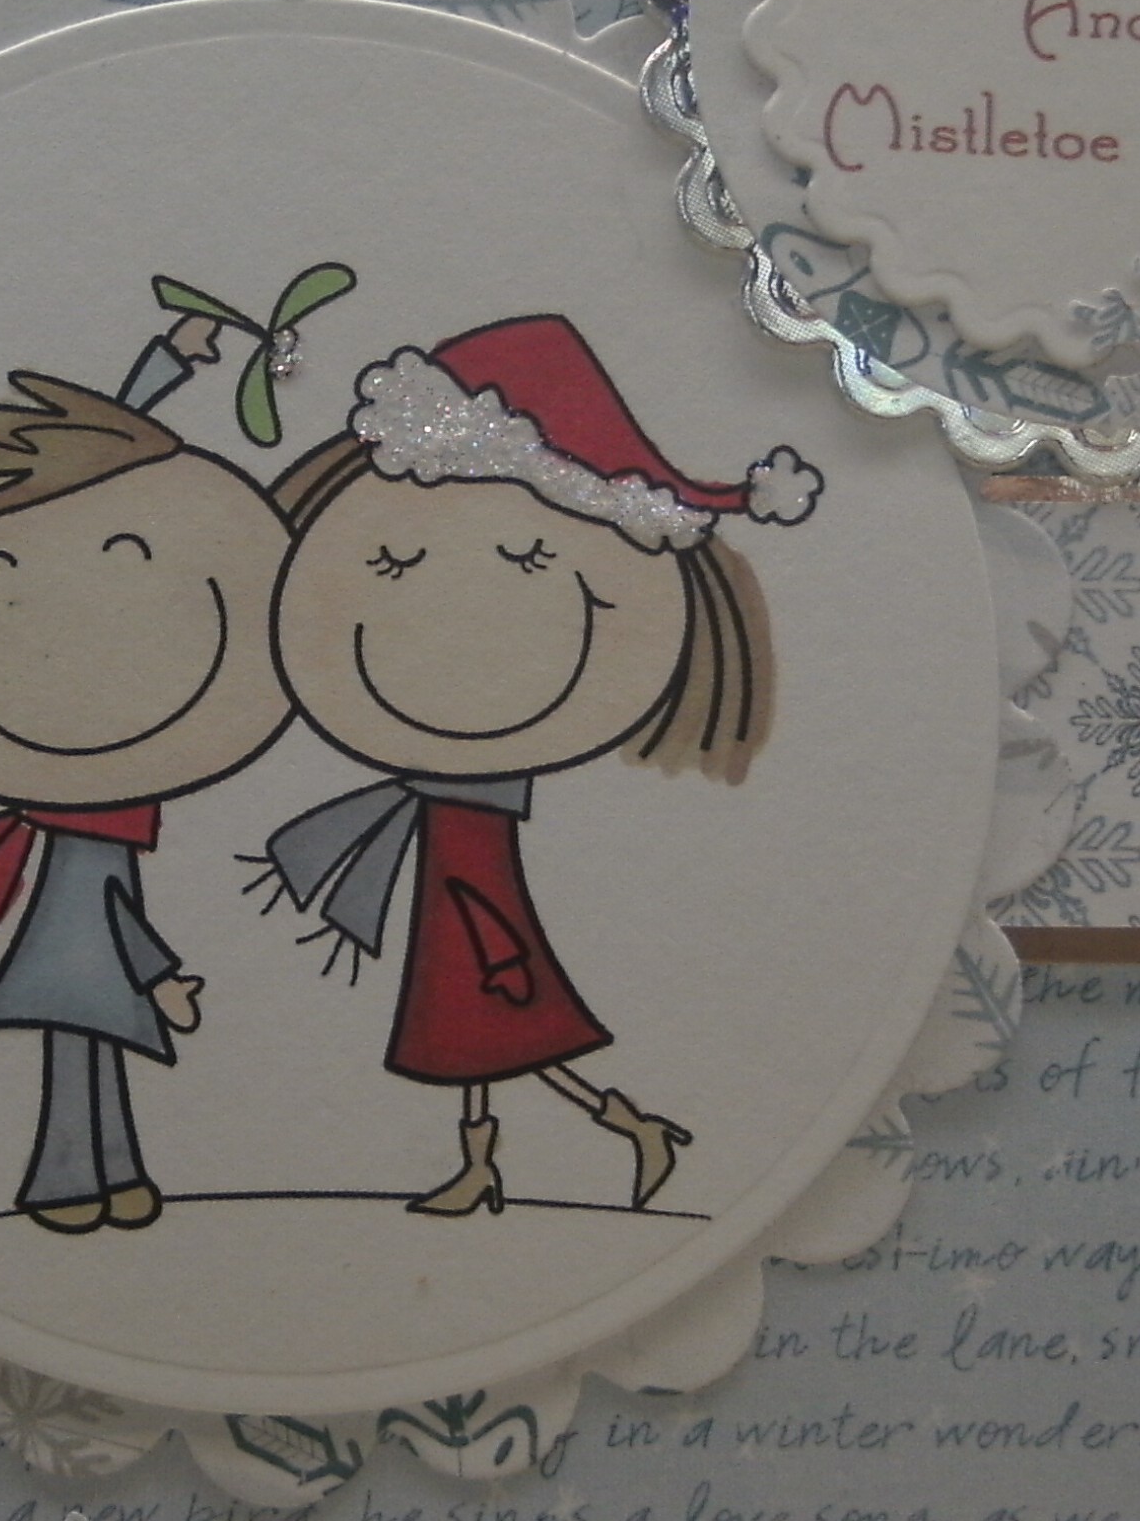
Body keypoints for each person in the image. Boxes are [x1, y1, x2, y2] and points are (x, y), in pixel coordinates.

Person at [247, 313, 822, 1216]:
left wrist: (494, 943)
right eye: (392, 562)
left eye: (530, 561)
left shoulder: (469, 797)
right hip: (461, 899)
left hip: (473, 907)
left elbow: (477, 879)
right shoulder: (441, 789)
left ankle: (601, 1132)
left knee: (485, 1035)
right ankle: (530, 1153)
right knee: (473, 1040)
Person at [0, 370, 291, 1234]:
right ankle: (70, 1181)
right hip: (74, 970)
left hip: (79, 969)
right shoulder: (92, 833)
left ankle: (101, 1175)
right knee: (81, 1066)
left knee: (87, 1065)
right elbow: (102, 911)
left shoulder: (102, 823)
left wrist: (167, 364)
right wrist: (162, 976)